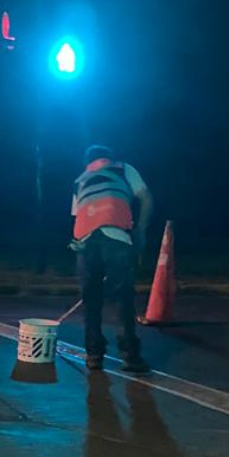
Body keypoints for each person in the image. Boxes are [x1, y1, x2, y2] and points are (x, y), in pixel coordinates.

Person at [71, 145, 153, 374]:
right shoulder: (123, 168)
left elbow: (78, 215)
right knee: (122, 297)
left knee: (91, 300)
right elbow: (145, 197)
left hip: (85, 242)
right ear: (109, 158)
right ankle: (130, 356)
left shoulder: (80, 179)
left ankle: (94, 355)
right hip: (116, 236)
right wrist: (141, 230)